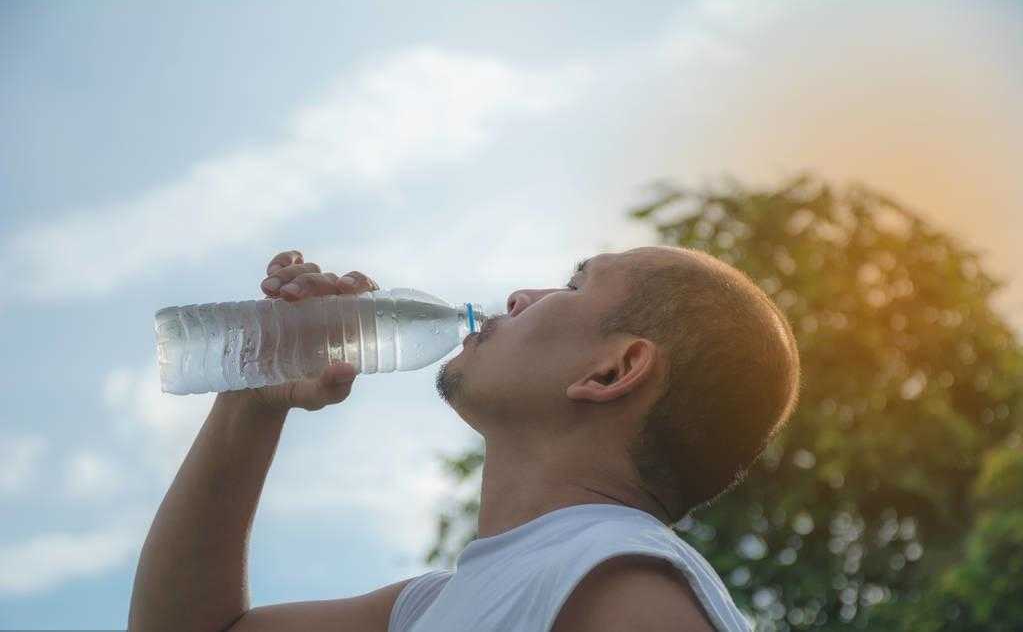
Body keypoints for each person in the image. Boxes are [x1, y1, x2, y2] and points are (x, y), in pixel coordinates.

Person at [129, 245, 801, 632]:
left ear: (612, 370)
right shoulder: (437, 606)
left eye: (573, 284)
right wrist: (251, 402)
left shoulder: (617, 581)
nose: (518, 296)